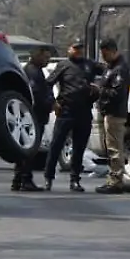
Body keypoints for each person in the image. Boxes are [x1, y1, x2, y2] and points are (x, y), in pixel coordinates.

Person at [43, 39, 99, 192]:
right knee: (56, 145)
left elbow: (108, 73)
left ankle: (75, 180)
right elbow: (47, 84)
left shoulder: (89, 65)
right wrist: (53, 102)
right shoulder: (63, 65)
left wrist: (97, 88)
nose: (78, 51)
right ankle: (48, 178)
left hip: (84, 111)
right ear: (69, 49)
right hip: (66, 111)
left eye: (80, 48)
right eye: (75, 48)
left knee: (79, 148)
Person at [12, 46, 54, 192]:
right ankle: (25, 179)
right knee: (30, 149)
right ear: (37, 56)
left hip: (31, 116)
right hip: (33, 116)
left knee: (25, 148)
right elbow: (36, 95)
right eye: (45, 58)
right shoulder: (32, 72)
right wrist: (49, 103)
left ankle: (19, 179)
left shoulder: (36, 71)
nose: (47, 61)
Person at [93, 38, 130, 194]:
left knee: (115, 148)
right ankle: (112, 178)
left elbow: (117, 93)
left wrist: (98, 90)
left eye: (106, 54)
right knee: (108, 148)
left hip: (115, 113)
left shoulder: (120, 69)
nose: (104, 58)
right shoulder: (110, 67)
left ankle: (116, 181)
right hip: (106, 112)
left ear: (113, 51)